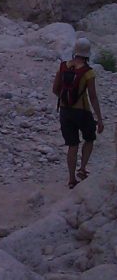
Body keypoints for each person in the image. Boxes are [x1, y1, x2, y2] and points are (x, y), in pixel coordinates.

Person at [52, 37, 104, 189]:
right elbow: (93, 97)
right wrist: (99, 119)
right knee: (89, 138)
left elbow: (55, 89)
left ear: (75, 52)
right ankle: (82, 168)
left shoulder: (62, 67)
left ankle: (71, 179)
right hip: (82, 112)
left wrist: (65, 100)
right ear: (87, 54)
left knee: (72, 145)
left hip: (65, 112)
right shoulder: (88, 73)